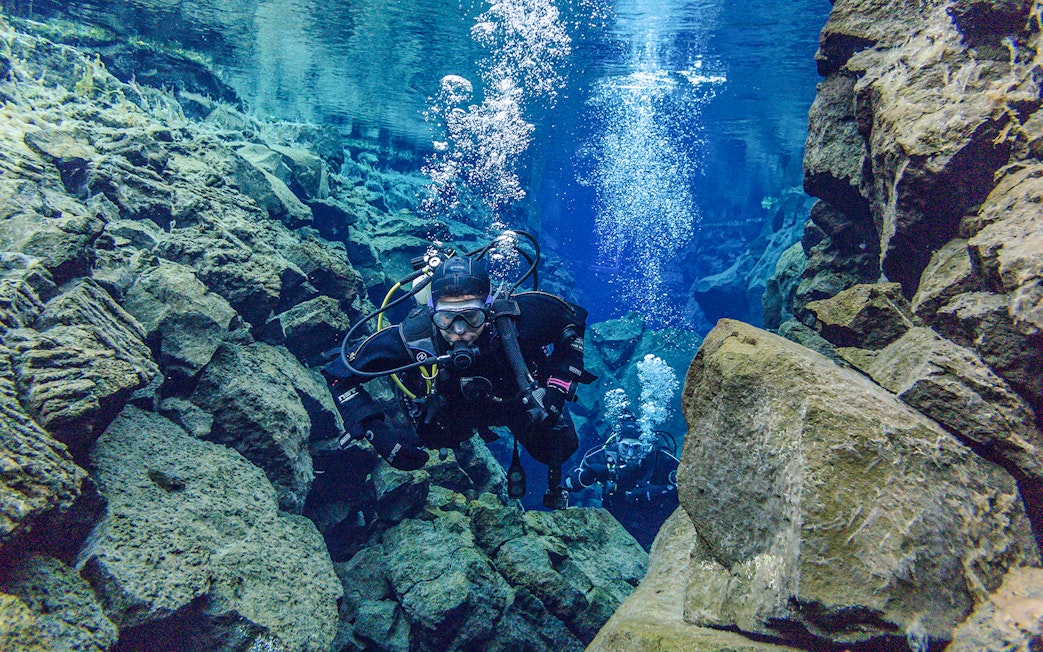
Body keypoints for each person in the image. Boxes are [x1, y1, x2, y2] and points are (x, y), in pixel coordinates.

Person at [322, 248, 592, 509]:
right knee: (427, 441)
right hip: (448, 415)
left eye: (472, 317)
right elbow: (338, 375)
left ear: (488, 309)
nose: (460, 331)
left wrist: (558, 388)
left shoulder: (518, 319)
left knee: (560, 447)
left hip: (517, 404)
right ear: (432, 312)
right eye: (447, 318)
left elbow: (573, 321)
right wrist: (376, 432)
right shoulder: (413, 336)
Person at [564, 412, 679, 547]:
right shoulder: (606, 456)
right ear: (617, 446)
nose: (630, 455)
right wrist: (587, 475)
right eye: (624, 448)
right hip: (614, 524)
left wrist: (658, 492)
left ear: (646, 448)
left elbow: (689, 485)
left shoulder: (659, 459)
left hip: (656, 525)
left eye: (636, 449)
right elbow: (568, 484)